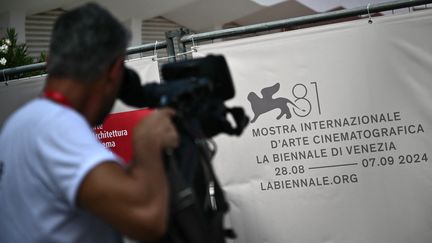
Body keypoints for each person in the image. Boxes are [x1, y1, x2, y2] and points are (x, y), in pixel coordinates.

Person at [0, 3, 179, 242]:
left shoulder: (18, 123)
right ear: (115, 70)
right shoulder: (56, 127)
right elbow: (148, 218)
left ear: (50, 60)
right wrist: (147, 141)